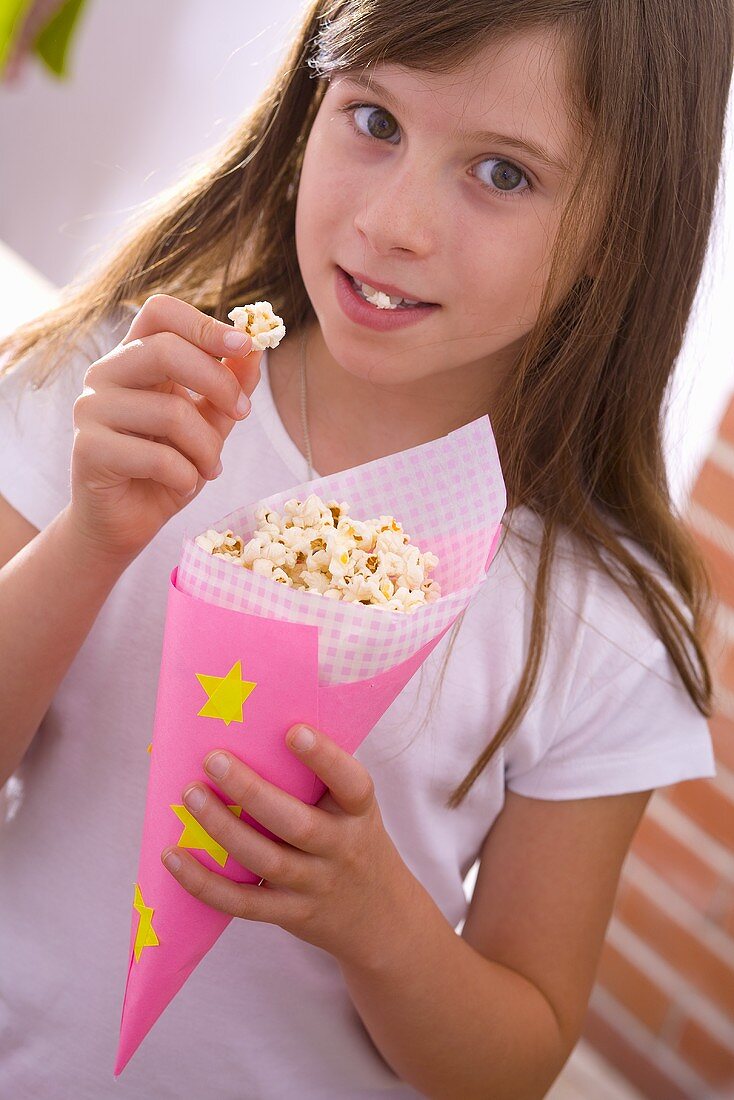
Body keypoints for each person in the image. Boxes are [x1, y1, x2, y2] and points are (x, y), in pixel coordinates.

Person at [0, 1, 730, 1096]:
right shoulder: (128, 387)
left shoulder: (598, 630)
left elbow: (514, 1060)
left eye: (502, 174)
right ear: (308, 98)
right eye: (375, 120)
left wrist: (376, 917)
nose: (394, 224)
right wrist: (91, 534)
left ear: (623, 232)